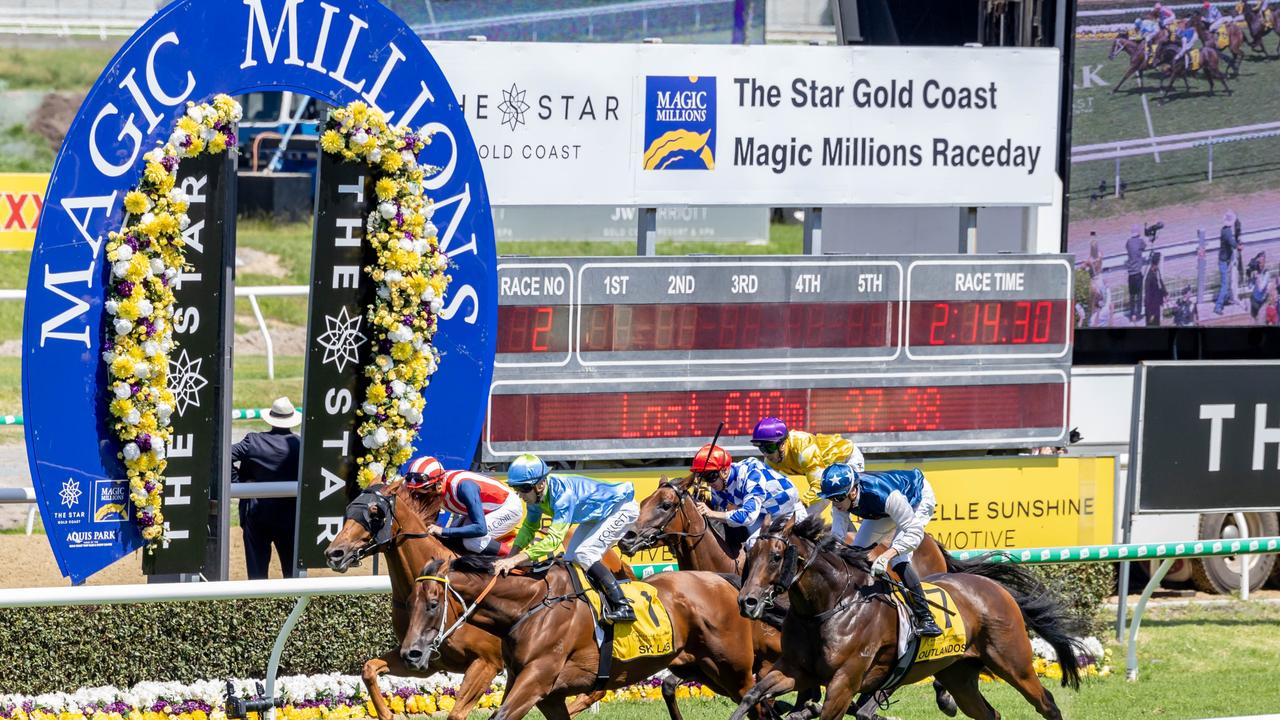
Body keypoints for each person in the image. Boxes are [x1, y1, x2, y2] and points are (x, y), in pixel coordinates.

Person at [496, 454, 639, 623]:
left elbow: (553, 541)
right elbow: (528, 529)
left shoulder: (563, 495)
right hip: (596, 517)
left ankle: (623, 606)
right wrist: (510, 557)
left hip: (622, 508)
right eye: (517, 488)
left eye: (525, 488)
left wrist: (515, 561)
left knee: (586, 554)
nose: (521, 495)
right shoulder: (534, 499)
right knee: (570, 560)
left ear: (540, 484)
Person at [816, 463, 942, 637]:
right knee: (855, 553)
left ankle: (926, 618)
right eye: (831, 498)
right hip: (882, 508)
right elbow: (837, 538)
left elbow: (914, 533)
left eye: (837, 498)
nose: (834, 503)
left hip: (916, 498)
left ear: (853, 492)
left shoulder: (884, 495)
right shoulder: (841, 499)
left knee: (898, 560)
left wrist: (886, 556)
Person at [232, 396, 300, 580]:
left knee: (256, 574)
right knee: (292, 573)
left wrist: (239, 482)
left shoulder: (252, 441)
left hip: (256, 513)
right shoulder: (299, 444)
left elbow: (224, 455)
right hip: (289, 516)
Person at [691, 443, 807, 549]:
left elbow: (747, 516)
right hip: (762, 515)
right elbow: (730, 513)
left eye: (710, 477)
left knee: (753, 544)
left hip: (789, 512)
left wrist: (711, 513)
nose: (708, 483)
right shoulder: (717, 486)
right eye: (703, 477)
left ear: (724, 471)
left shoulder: (752, 475)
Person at [403, 456, 524, 555]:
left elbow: (480, 529)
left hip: (508, 507)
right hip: (484, 511)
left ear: (439, 485)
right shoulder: (435, 485)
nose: (421, 496)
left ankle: (518, 560)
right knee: (449, 539)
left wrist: (443, 530)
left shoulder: (464, 487)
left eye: (424, 490)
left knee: (472, 541)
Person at [750, 416, 865, 512]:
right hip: (827, 474)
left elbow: (819, 487)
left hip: (847, 460)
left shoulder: (803, 448)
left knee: (836, 506)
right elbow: (767, 491)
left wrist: (801, 504)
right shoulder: (770, 460)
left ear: (782, 444)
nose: (766, 454)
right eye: (761, 448)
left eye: (770, 447)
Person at [1215, 211, 1240, 314]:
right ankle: (1218, 306)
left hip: (1224, 260)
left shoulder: (1224, 230)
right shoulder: (1228, 232)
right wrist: (1239, 246)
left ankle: (1224, 299)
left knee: (1226, 282)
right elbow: (1232, 243)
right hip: (1224, 261)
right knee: (1225, 284)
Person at [1126, 225, 1146, 321]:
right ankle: (1138, 314)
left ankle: (1132, 314)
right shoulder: (1140, 241)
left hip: (1130, 273)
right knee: (1139, 294)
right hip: (1138, 272)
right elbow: (1144, 247)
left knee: (1132, 295)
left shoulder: (1129, 242)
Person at [1145, 252, 1168, 326]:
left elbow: (1160, 283)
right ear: (1155, 263)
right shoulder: (1149, 277)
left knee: (1157, 323)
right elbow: (1147, 295)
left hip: (1157, 303)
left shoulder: (1156, 271)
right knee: (1152, 323)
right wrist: (1150, 312)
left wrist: (1165, 294)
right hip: (1151, 307)